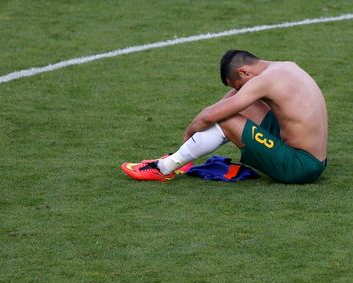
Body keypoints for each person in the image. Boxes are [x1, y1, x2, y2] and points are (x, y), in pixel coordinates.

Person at [121, 50, 328, 184]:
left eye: (238, 86)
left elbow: (212, 115)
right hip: (313, 157)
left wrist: (188, 135)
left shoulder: (264, 82)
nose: (238, 91)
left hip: (300, 167)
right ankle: (180, 158)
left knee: (227, 119)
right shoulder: (285, 67)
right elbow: (225, 103)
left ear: (244, 71)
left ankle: (164, 168)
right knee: (241, 106)